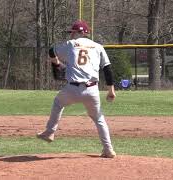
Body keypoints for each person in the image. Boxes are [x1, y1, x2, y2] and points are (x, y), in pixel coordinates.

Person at [36, 20, 117, 158]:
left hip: (72, 89)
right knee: (99, 118)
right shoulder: (98, 46)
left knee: (58, 103)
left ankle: (50, 132)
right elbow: (107, 69)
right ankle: (108, 150)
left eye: (73, 32)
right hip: (92, 90)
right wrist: (111, 90)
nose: (71, 34)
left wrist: (56, 62)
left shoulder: (70, 44)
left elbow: (51, 51)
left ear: (80, 32)